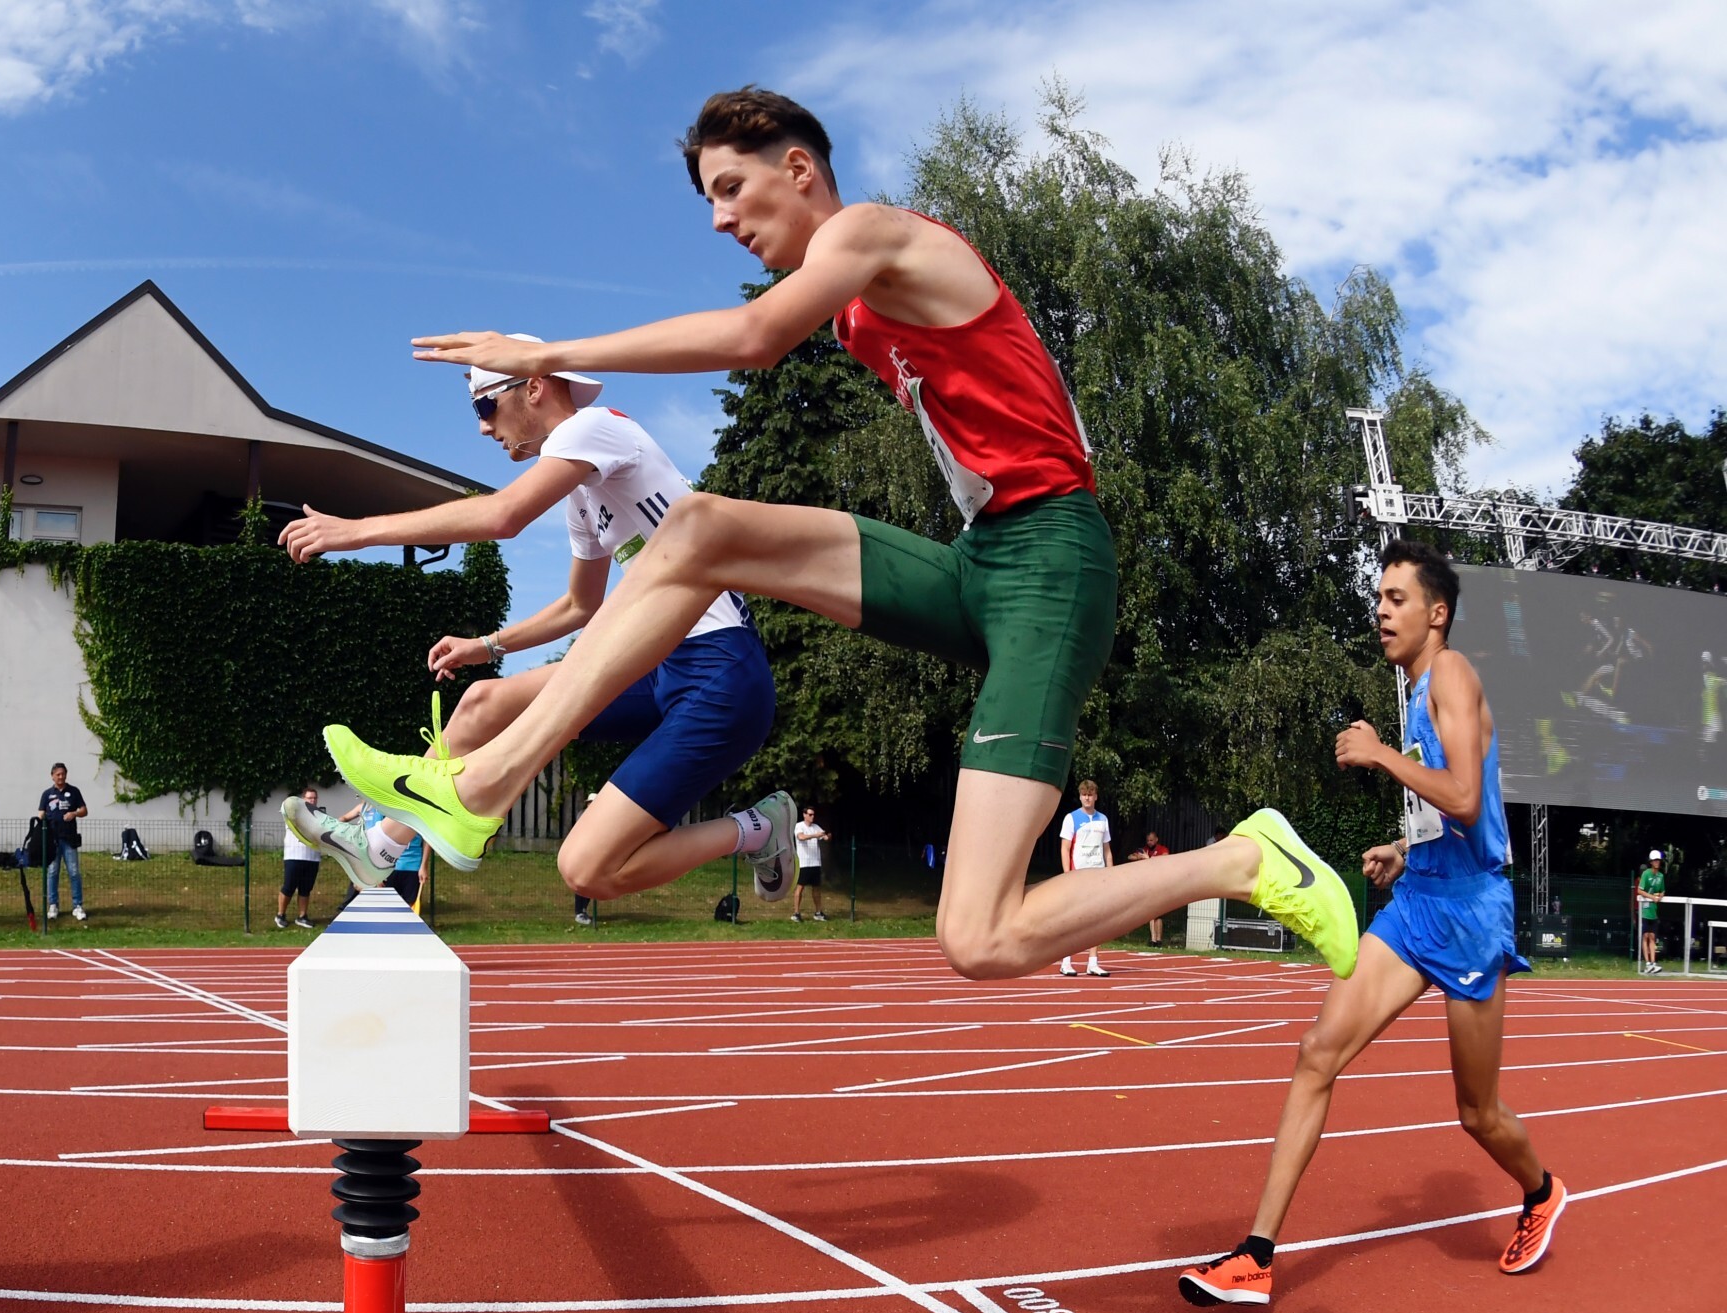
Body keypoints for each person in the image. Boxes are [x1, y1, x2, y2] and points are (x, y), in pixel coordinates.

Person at [333, 86, 1355, 986]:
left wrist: (544, 351)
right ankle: (482, 784)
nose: (722, 219)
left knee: (979, 937)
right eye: (710, 203)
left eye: (731, 189)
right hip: (981, 558)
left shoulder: (873, 231)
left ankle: (1243, 859)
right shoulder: (857, 313)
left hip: (1052, 562)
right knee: (696, 528)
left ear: (798, 167)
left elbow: (750, 337)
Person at [1180, 544, 1565, 1310]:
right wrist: (1402, 847)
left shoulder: (1451, 673)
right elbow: (1450, 812)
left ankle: (1542, 1190)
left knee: (1477, 1113)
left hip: (1470, 914)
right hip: (1419, 901)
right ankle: (1256, 1255)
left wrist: (1382, 755)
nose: (1381, 611)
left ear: (1437, 612)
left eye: (1396, 598)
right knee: (1317, 1051)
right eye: (1379, 598)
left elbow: (1465, 796)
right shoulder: (1416, 688)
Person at [283, 358, 790, 906]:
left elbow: (504, 516)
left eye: (486, 406)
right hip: (656, 662)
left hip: (720, 673)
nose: (483, 427)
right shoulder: (583, 495)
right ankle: (380, 845)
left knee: (585, 870)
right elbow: (579, 605)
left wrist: (354, 532)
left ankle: (758, 828)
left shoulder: (594, 427)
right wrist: (486, 646)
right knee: (482, 703)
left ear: (534, 387)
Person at [1058, 781, 1112, 977]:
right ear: (1080, 796)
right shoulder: (1071, 818)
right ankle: (1066, 961)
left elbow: (1107, 849)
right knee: (1074, 919)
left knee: (1096, 919)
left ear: (1096, 796)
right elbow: (1065, 848)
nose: (1087, 798)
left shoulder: (1103, 819)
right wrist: (1067, 873)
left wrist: (1111, 874)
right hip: (1078, 873)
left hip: (1098, 873)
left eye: (1090, 794)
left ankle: (1093, 962)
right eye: (1084, 794)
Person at [39, 762, 88, 923]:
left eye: (63, 774)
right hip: (52, 840)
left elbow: (84, 810)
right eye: (58, 774)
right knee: (52, 872)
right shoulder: (47, 794)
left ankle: (77, 906)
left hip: (69, 839)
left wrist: (74, 814)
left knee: (74, 872)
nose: (61, 777)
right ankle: (53, 905)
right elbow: (41, 813)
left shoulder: (74, 792)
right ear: (52, 776)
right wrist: (43, 819)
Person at [276, 784, 323, 929]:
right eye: (309, 798)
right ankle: (280, 915)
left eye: (314, 798)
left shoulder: (320, 816)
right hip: (294, 856)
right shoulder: (294, 813)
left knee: (305, 889)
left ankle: (302, 916)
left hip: (312, 858)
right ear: (303, 799)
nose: (312, 800)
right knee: (289, 887)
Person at [1128, 830, 1173, 943]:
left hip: (1160, 883)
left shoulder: (1162, 849)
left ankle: (1159, 939)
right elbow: (1130, 857)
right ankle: (1153, 939)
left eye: (1151, 840)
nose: (1149, 842)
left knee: (1159, 914)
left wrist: (1149, 858)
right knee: (1151, 913)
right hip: (1149, 884)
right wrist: (1139, 857)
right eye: (1148, 840)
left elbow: (1166, 857)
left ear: (1156, 839)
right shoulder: (1144, 850)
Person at [790, 807, 830, 921]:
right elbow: (801, 837)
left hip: (815, 862)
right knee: (800, 887)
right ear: (804, 815)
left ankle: (818, 912)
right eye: (810, 814)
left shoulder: (816, 827)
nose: (812, 817)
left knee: (816, 888)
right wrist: (814, 836)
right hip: (804, 863)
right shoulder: (799, 826)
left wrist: (826, 836)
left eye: (813, 815)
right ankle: (796, 913)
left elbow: (824, 836)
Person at [1637, 849, 1666, 975]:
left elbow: (1663, 890)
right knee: (1645, 936)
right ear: (1651, 862)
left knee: (1653, 936)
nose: (1657, 862)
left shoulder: (1661, 876)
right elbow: (1640, 890)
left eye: (1658, 860)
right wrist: (1652, 897)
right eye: (1655, 860)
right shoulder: (1646, 874)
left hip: (1654, 910)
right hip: (1645, 909)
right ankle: (1648, 963)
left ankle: (1653, 963)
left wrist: (1660, 896)